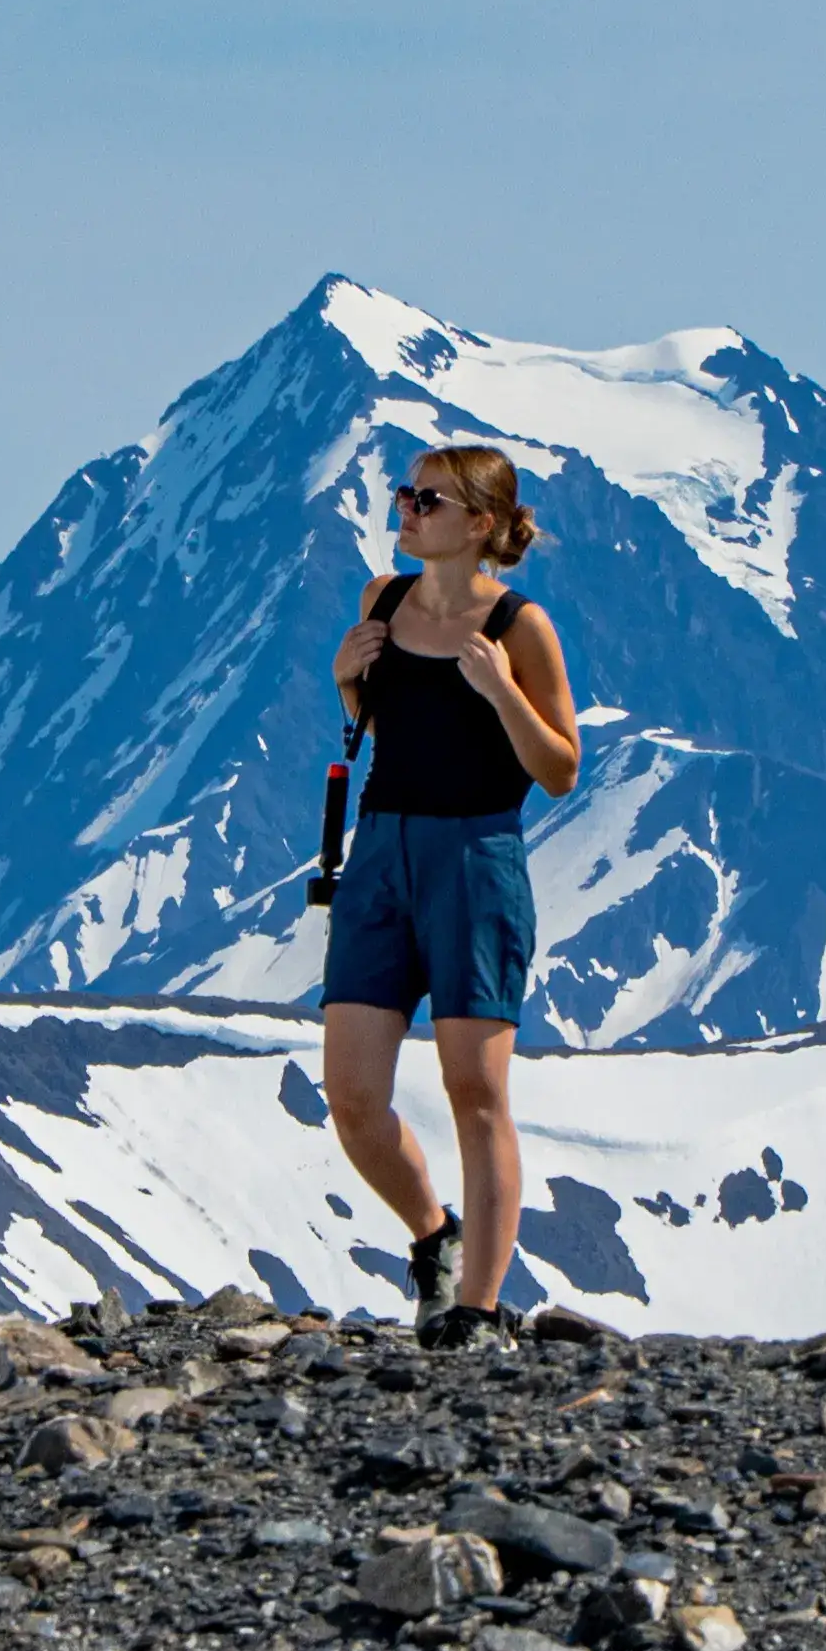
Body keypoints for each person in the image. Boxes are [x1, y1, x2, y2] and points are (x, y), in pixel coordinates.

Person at [319, 443, 583, 1326]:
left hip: (476, 858)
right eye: (405, 493)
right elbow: (385, 726)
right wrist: (347, 682)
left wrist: (505, 692)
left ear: (479, 524)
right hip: (382, 853)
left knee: (477, 1092)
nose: (407, 508)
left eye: (426, 499)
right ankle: (435, 1235)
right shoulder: (381, 603)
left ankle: (475, 1312)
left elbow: (560, 769)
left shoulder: (518, 626)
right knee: (353, 1099)